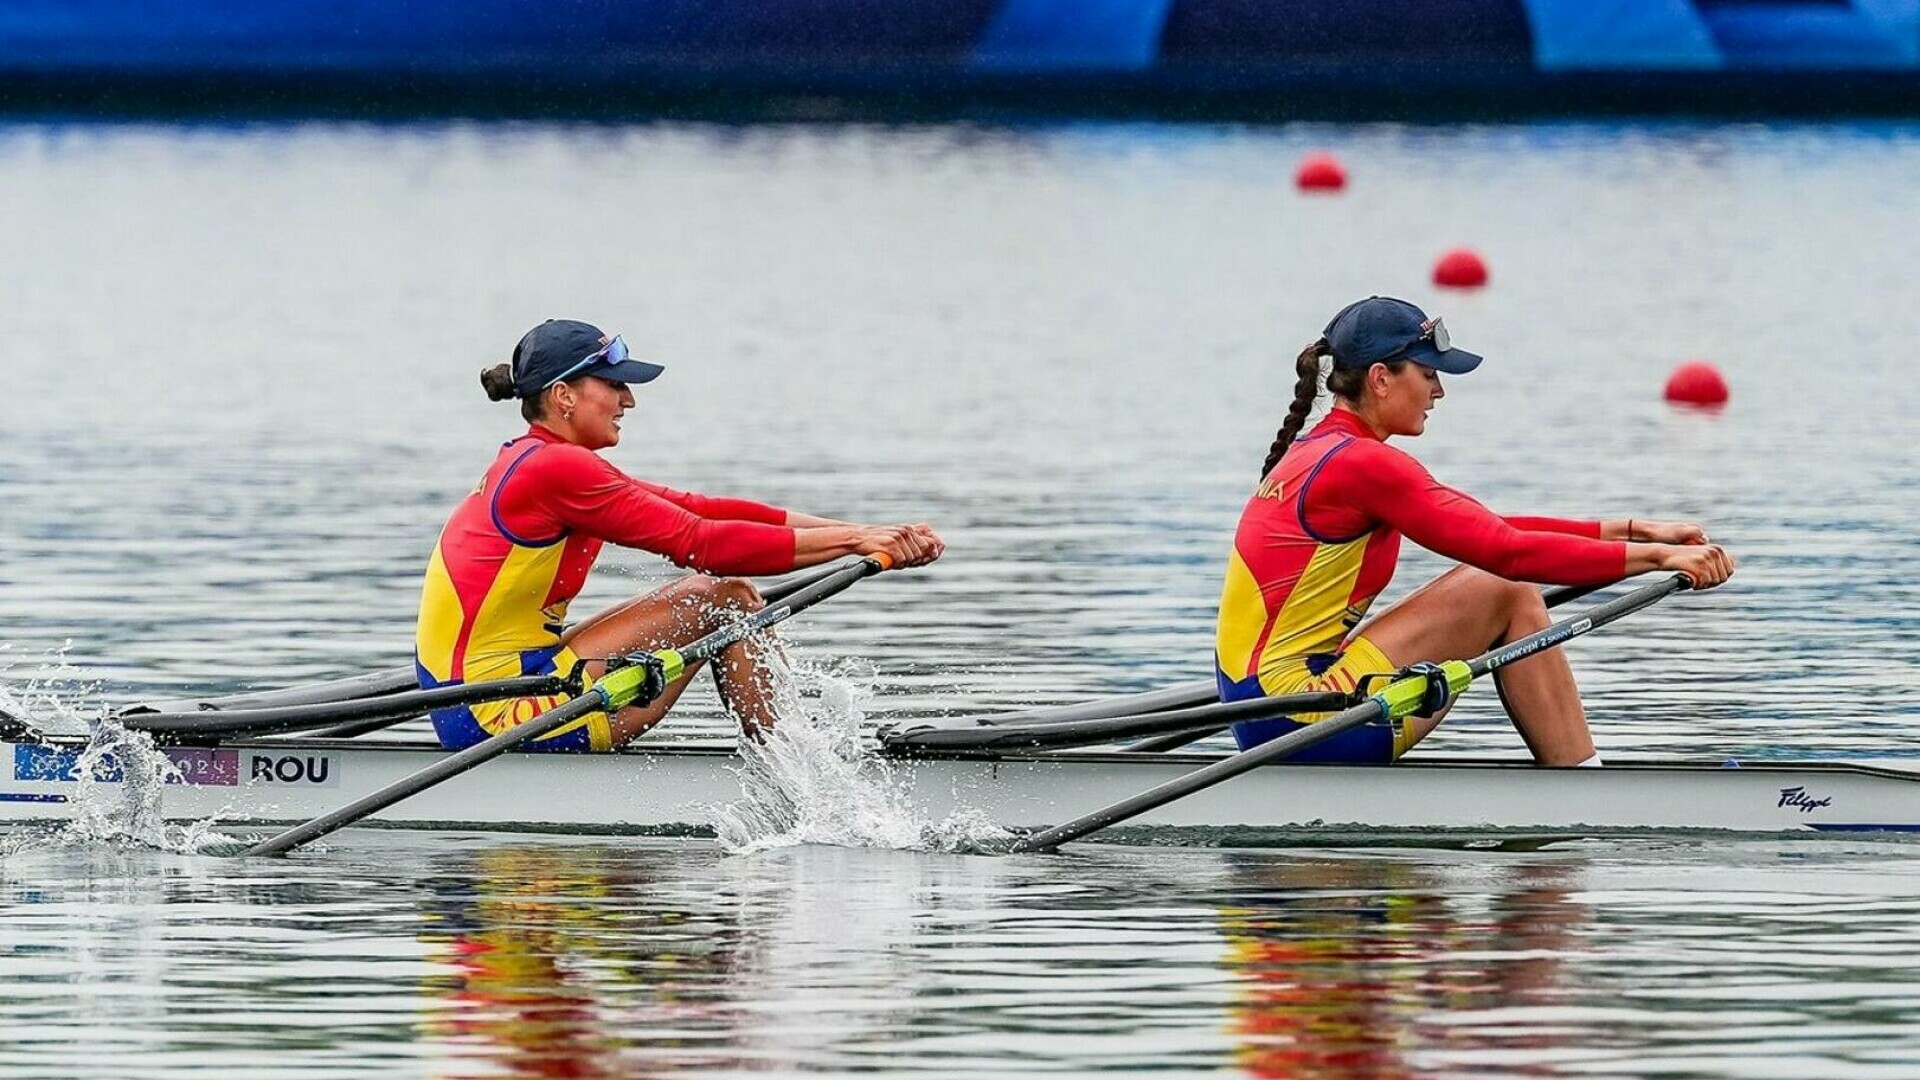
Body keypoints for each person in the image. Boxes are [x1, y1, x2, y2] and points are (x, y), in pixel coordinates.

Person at [1215, 297, 1734, 766]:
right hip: (1303, 719)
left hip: (1268, 709)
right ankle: (1582, 783)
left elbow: (1492, 528)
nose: (1439, 390)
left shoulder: (1321, 449)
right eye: (1428, 372)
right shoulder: (1363, 465)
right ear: (1380, 378)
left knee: (1497, 580)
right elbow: (1504, 552)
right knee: (1504, 588)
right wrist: (1661, 561)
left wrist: (1632, 531)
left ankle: (1578, 777)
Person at [415, 319, 943, 753]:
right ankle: (800, 776)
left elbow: (697, 508)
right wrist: (856, 543)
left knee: (718, 598)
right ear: (563, 396)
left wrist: (867, 533)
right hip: (494, 711)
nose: (629, 400)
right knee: (727, 602)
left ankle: (793, 759)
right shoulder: (555, 470)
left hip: (500, 682)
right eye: (615, 384)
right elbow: (703, 543)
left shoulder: (542, 460)